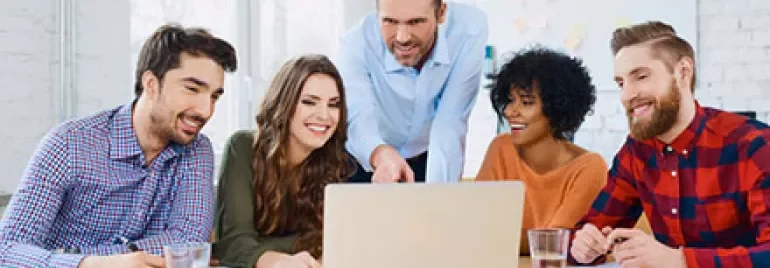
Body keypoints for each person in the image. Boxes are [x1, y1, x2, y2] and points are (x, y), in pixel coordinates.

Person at [0, 24, 237, 267]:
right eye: (192, 89)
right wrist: (87, 264)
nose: (206, 111)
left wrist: (81, 253)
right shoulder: (68, 144)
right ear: (151, 84)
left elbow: (188, 242)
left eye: (214, 96)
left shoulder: (196, 149)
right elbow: (6, 249)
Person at [570, 21, 770, 268]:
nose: (626, 95)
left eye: (641, 77)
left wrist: (680, 260)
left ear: (683, 72)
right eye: (621, 83)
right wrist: (584, 247)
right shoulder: (636, 151)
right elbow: (592, 229)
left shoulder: (754, 145)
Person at [212, 55, 353, 268]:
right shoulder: (242, 148)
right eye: (309, 102)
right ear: (284, 103)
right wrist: (280, 260)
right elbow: (233, 243)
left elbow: (337, 240)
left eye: (334, 105)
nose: (324, 116)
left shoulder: (337, 159)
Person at [337, 0, 488, 183]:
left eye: (415, 22)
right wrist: (380, 153)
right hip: (368, 155)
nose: (402, 37)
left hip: (427, 158)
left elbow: (450, 122)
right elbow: (358, 117)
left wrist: (441, 197)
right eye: (390, 21)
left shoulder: (468, 31)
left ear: (441, 13)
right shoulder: (356, 43)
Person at [475, 46, 607, 254]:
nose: (510, 112)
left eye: (526, 102)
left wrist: (498, 236)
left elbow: (555, 244)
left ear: (557, 109)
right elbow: (474, 226)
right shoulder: (501, 148)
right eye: (510, 101)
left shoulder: (589, 167)